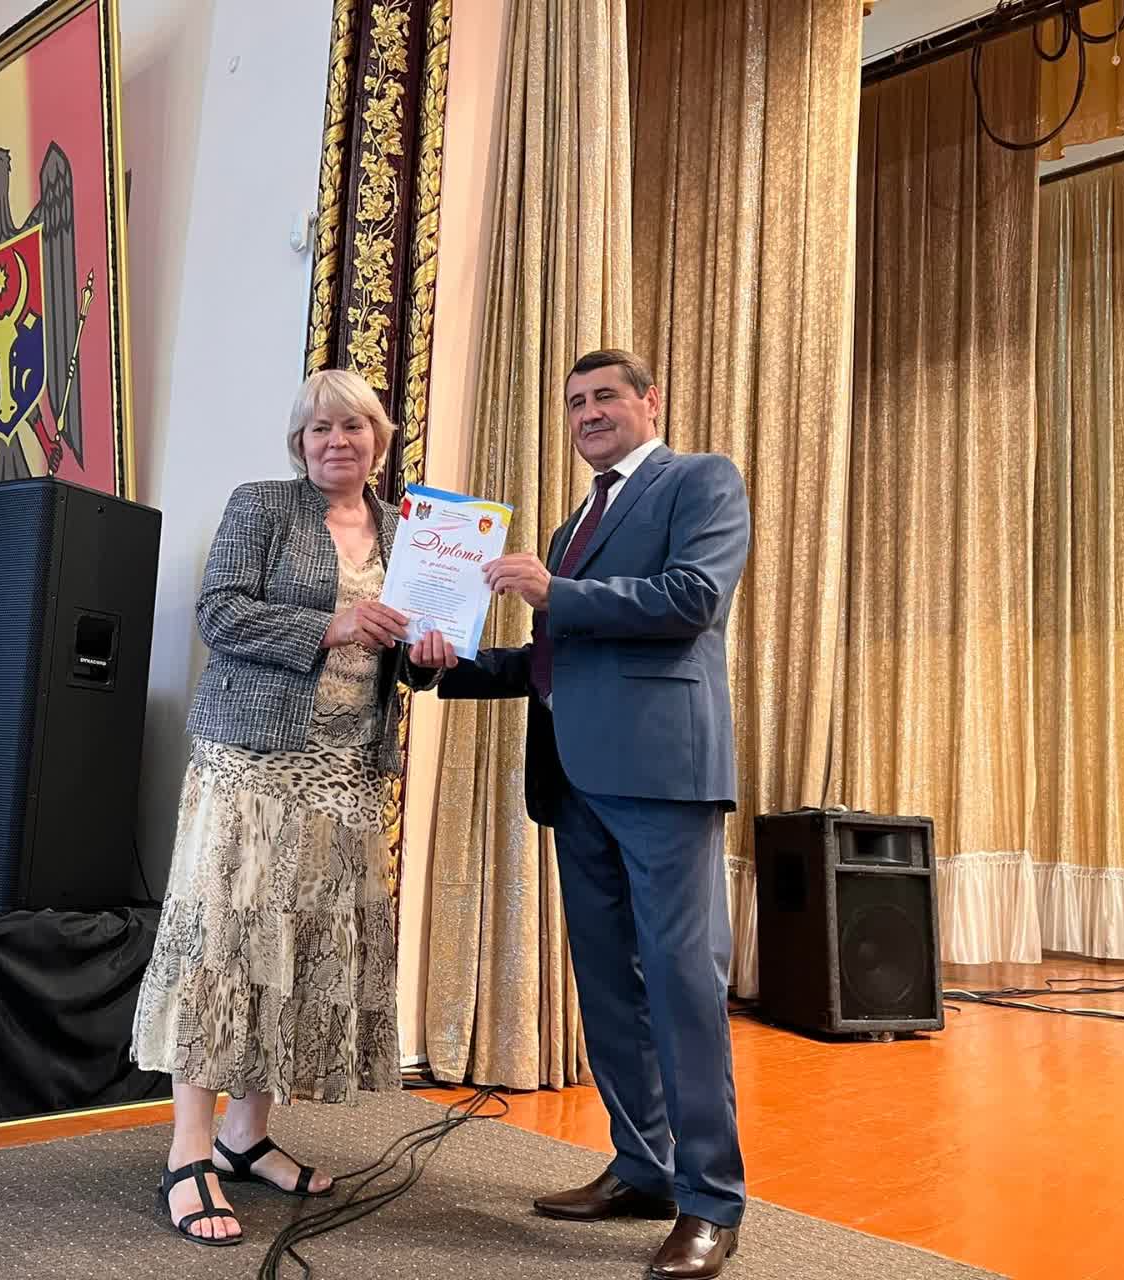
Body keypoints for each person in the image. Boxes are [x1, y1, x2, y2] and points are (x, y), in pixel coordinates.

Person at [408, 349, 751, 1279]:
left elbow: (691, 600)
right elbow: (549, 663)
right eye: (575, 403)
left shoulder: (701, 481)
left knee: (681, 985)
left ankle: (711, 1200)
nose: (589, 413)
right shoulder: (570, 528)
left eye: (605, 396)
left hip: (664, 776)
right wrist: (441, 663)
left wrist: (555, 592)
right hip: (576, 779)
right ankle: (643, 1170)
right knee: (607, 985)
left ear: (650, 401)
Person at [130, 368, 416, 1247]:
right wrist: (330, 626)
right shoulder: (262, 506)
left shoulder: (406, 531)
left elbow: (412, 652)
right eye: (319, 429)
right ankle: (189, 1150)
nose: (336, 441)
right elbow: (220, 615)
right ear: (299, 443)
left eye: (353, 426)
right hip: (251, 762)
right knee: (222, 948)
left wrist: (435, 650)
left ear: (378, 438)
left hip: (347, 769)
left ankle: (245, 1137)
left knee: (291, 949)